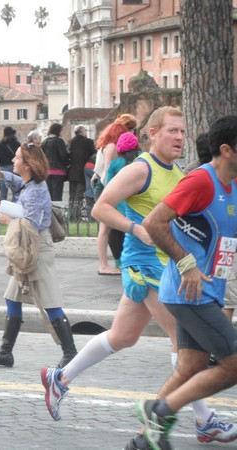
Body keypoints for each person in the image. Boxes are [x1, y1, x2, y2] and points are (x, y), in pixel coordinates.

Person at [40, 107, 236, 448]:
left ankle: (61, 377)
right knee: (184, 344)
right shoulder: (140, 168)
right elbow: (101, 207)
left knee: (122, 336)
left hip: (168, 263)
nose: (179, 138)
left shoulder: (176, 171)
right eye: (172, 131)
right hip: (146, 263)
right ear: (153, 135)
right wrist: (136, 229)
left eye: (182, 132)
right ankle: (203, 421)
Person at [134, 115, 237, 450]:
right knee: (234, 366)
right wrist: (187, 262)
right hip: (188, 291)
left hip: (209, 291)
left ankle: (144, 439)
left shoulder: (232, 185)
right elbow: (153, 222)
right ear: (226, 150)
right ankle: (161, 409)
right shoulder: (200, 182)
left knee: (191, 365)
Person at [0, 142, 77, 369]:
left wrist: (8, 218)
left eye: (16, 158)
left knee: (50, 301)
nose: (13, 160)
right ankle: (5, 353)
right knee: (12, 296)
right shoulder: (32, 182)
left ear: (28, 164)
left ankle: (71, 352)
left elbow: (30, 224)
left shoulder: (34, 191)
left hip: (37, 250)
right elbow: (16, 181)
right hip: (31, 248)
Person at [92, 121, 129, 275]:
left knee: (106, 228)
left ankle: (105, 264)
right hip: (106, 187)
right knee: (105, 228)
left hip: (101, 185)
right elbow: (108, 172)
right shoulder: (112, 147)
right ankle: (103, 265)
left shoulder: (105, 146)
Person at [104, 131, 141, 269]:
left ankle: (119, 261)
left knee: (115, 232)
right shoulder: (144, 160)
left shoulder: (114, 165)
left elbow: (108, 187)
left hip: (120, 208)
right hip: (140, 208)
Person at [67, 125, 96, 221]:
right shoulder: (88, 142)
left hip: (72, 171)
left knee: (72, 194)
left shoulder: (71, 142)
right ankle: (75, 216)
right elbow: (94, 154)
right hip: (82, 170)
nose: (86, 132)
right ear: (81, 132)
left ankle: (71, 215)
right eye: (85, 130)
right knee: (79, 195)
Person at [0, 126, 20, 203]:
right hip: (15, 168)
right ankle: (15, 208)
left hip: (3, 169)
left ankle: (2, 209)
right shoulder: (17, 144)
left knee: (3, 192)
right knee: (16, 192)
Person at [41, 123, 69, 202]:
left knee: (49, 195)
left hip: (47, 172)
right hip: (58, 171)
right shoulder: (59, 141)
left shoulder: (44, 142)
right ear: (58, 130)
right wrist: (67, 163)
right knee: (57, 196)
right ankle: (57, 213)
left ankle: (50, 213)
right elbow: (64, 156)